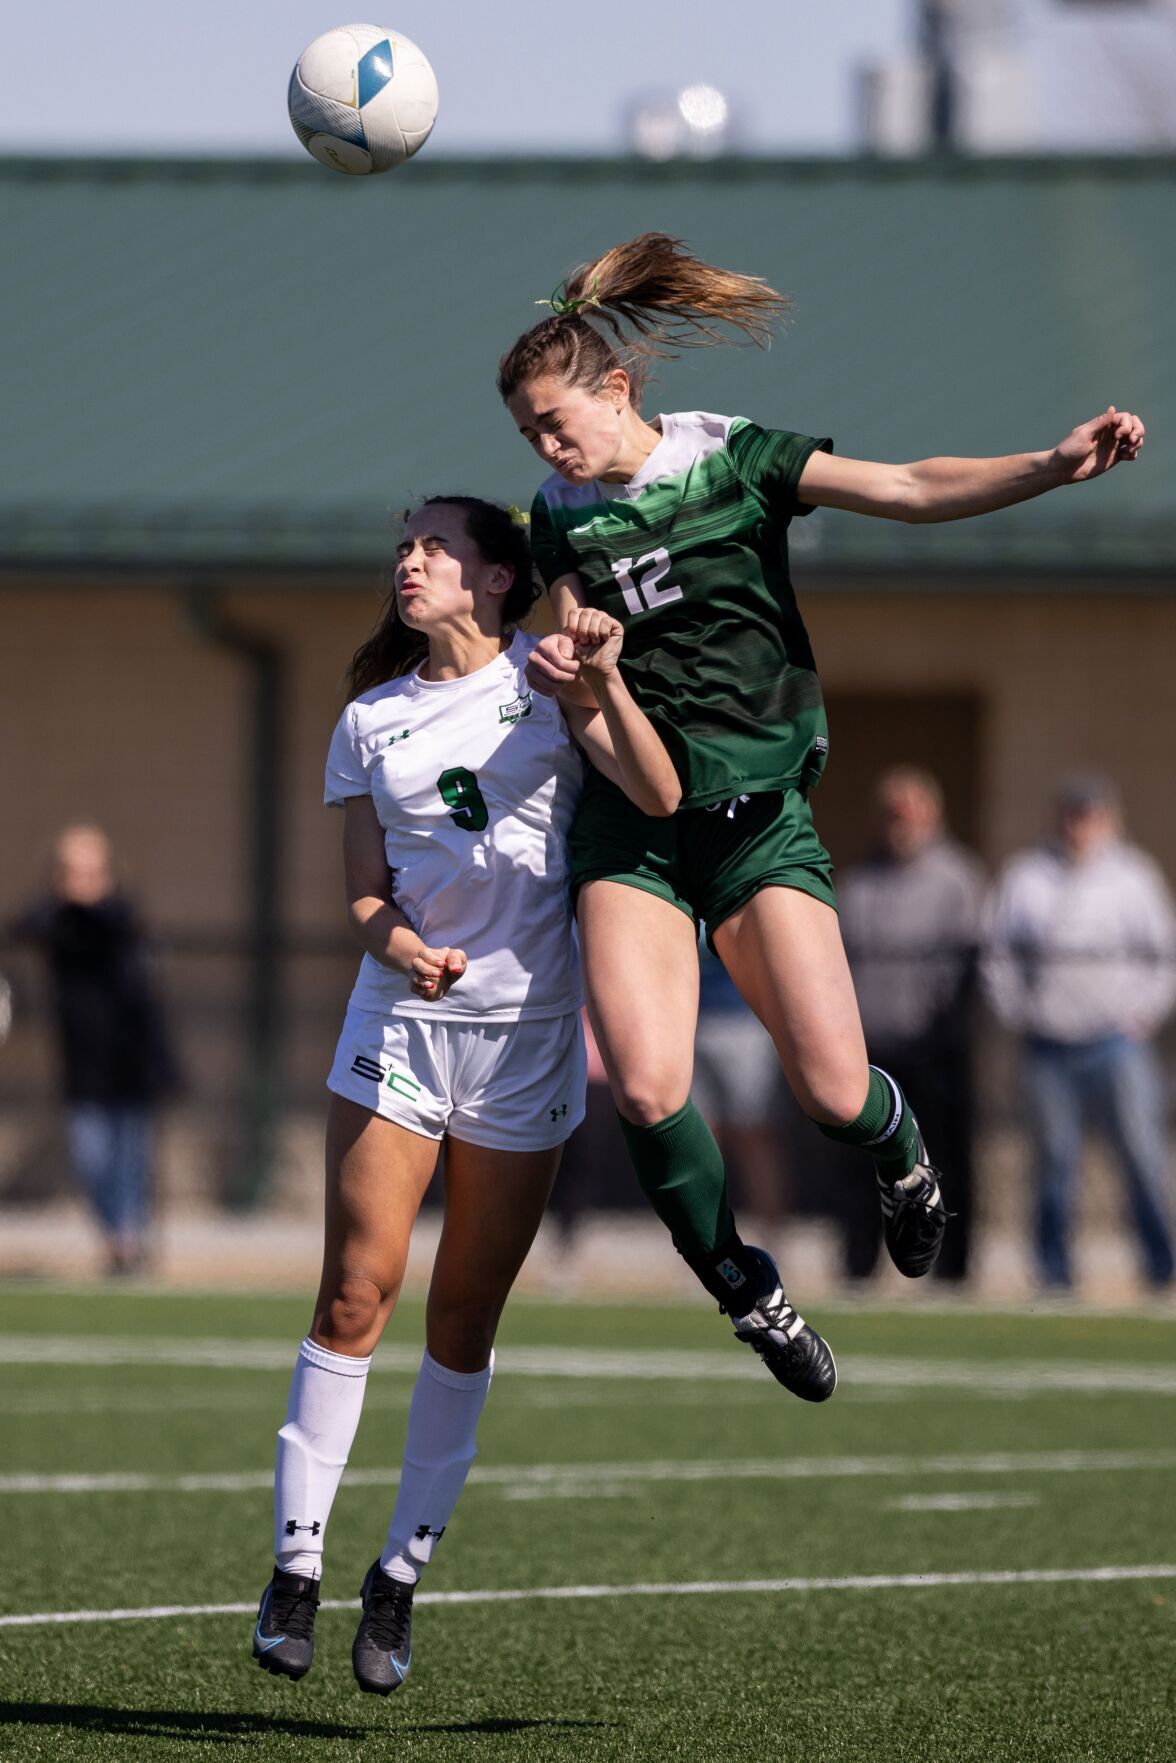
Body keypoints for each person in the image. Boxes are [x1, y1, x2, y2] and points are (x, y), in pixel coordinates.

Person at [496, 231, 1145, 1396]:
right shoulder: (558, 516)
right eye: (529, 433)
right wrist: (578, 674)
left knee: (837, 1091)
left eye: (558, 420)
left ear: (621, 386)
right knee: (645, 1086)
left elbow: (904, 486)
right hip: (633, 829)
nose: (548, 447)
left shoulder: (733, 457)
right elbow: (578, 675)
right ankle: (750, 1290)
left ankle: (901, 1157)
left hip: (754, 818)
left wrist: (1051, 466)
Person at [252, 496, 678, 1693]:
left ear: (498, 577)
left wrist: (602, 683)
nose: (411, 558)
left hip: (530, 1041)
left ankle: (396, 1576)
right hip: (402, 1022)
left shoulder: (547, 686)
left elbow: (654, 792)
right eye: (404, 544)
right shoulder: (367, 720)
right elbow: (363, 896)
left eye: (437, 544)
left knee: (463, 1318)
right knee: (354, 1289)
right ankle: (296, 1564)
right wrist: (401, 950)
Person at [983, 772, 1176, 1292]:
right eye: (1072, 814)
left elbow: (1164, 959)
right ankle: (1053, 1275)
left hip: (1117, 1043)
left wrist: (1142, 1015)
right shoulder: (1026, 875)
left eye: (1090, 816)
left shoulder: (1135, 877)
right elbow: (997, 956)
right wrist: (1018, 1013)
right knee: (1053, 1165)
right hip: (1048, 1047)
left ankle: (1162, 1268)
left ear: (1110, 821)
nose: (1080, 827)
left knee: (1141, 1155)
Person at [832, 768, 985, 1282]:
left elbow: (969, 964)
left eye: (909, 812)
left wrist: (945, 1026)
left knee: (944, 1162)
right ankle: (859, 1267)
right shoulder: (860, 881)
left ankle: (952, 1273)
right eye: (891, 814)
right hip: (872, 1050)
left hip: (935, 1050)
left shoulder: (958, 879)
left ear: (932, 814)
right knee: (861, 1166)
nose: (900, 824)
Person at [13, 824, 177, 1276]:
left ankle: (125, 1244)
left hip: (132, 1063)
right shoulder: (58, 923)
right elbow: (27, 924)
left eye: (90, 870)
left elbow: (115, 922)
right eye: (71, 871)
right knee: (91, 1161)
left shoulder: (120, 917)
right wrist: (62, 897)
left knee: (131, 1163)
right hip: (83, 1067)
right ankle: (117, 1236)